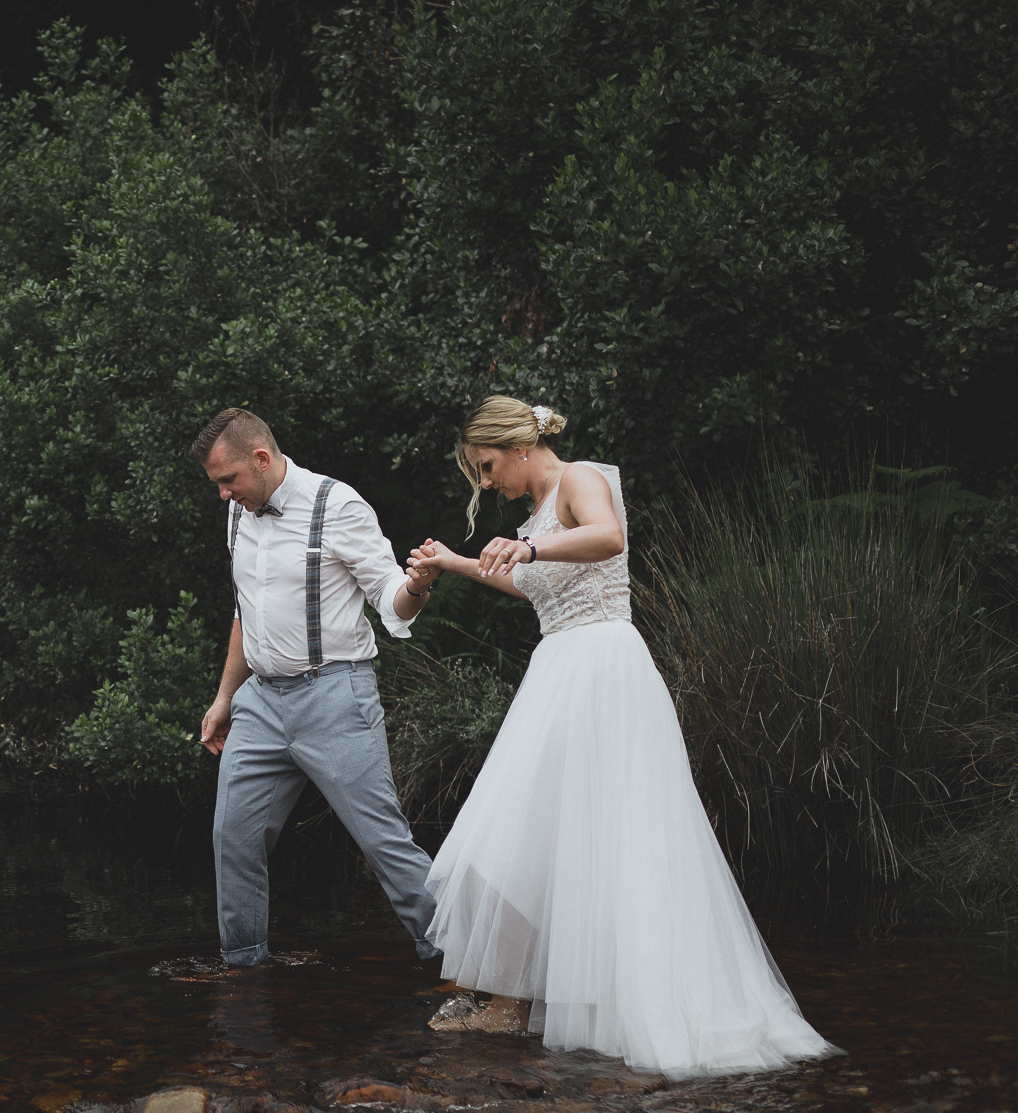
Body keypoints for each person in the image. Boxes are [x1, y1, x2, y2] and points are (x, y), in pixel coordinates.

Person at [403, 394, 838, 1077]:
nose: (486, 483)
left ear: (519, 446)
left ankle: (624, 999)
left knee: (610, 835)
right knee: (533, 833)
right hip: (559, 668)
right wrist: (458, 563)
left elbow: (608, 537)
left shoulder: (579, 479)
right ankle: (518, 998)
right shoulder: (533, 518)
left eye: (487, 467)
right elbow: (542, 588)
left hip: (603, 667)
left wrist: (530, 545)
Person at [191, 408, 444, 968]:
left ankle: (465, 957)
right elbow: (246, 611)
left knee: (383, 843)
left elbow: (391, 599)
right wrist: (225, 697)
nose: (223, 494)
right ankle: (243, 973)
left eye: (228, 479)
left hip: (335, 697)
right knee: (233, 839)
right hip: (259, 702)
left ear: (261, 458)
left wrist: (419, 585)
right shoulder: (238, 513)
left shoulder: (338, 505)